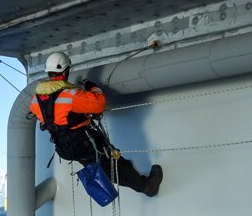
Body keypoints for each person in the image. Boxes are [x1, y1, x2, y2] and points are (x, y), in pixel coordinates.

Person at [29, 51, 163, 197]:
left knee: (100, 166)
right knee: (115, 165)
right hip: (84, 145)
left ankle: (112, 178)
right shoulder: (70, 95)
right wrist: (90, 85)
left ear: (49, 72)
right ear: (66, 70)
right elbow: (99, 102)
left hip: (63, 148)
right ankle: (147, 187)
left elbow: (56, 118)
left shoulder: (36, 100)